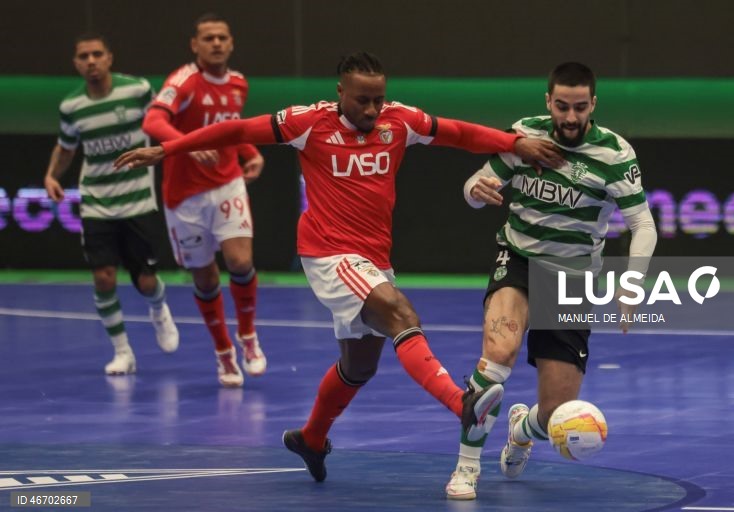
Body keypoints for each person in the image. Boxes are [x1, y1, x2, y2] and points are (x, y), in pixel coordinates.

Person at [115, 51, 566, 483]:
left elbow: (460, 133)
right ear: (340, 93)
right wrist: (168, 150)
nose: (372, 108)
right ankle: (462, 404)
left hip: (373, 259)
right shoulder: (306, 123)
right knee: (402, 316)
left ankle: (311, 439)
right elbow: (235, 131)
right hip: (329, 254)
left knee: (359, 365)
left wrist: (514, 143)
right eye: (361, 99)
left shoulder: (399, 120)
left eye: (377, 99)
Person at [444, 62, 658, 500]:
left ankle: (522, 430)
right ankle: (466, 467)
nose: (571, 117)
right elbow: (475, 185)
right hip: (519, 258)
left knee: (558, 411)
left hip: (572, 278)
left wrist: (633, 283)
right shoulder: (526, 136)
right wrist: (474, 193)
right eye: (562, 106)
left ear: (593, 104)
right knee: (497, 355)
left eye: (580, 107)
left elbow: (644, 225)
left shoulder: (614, 154)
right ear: (549, 102)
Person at [43, 33, 179, 375]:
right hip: (96, 202)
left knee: (146, 282)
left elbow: (162, 125)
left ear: (109, 58)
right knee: (103, 278)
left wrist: (177, 149)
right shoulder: (71, 107)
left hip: (137, 201)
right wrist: (51, 176)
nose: (91, 61)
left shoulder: (137, 90)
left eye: (97, 54)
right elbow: (66, 147)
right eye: (83, 56)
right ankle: (122, 352)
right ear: (76, 63)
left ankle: (159, 309)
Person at [143, 13, 267, 388]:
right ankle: (223, 351)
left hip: (227, 184)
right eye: (208, 38)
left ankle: (247, 335)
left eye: (222, 38)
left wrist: (249, 152)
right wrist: (187, 148)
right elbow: (152, 121)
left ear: (231, 44)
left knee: (240, 261)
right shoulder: (184, 81)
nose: (216, 43)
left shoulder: (238, 84)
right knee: (206, 276)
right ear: (194, 45)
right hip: (185, 197)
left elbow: (228, 126)